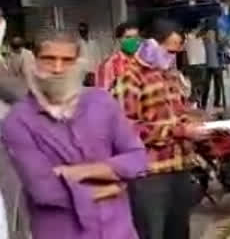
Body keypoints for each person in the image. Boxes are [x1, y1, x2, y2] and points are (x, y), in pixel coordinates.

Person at [1, 31, 148, 239]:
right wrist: (110, 188)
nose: (58, 68)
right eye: (49, 59)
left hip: (118, 230)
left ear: (78, 63)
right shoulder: (17, 120)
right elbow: (45, 190)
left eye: (67, 60)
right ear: (34, 61)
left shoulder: (102, 102)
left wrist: (79, 172)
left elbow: (138, 159)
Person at [112, 19, 209, 239]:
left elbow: (178, 114)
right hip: (150, 175)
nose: (172, 57)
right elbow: (126, 130)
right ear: (150, 44)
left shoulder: (169, 76)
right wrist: (177, 131)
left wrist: (199, 124)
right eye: (168, 50)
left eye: (176, 52)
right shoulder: (130, 79)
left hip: (178, 169)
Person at [95, 21, 140, 91]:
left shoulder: (143, 61)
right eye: (128, 37)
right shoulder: (109, 64)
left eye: (136, 37)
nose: (133, 41)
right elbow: (102, 95)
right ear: (119, 40)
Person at [182, 23, 207, 108]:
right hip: (196, 63)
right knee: (197, 85)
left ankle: (197, 101)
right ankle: (197, 101)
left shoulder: (188, 37)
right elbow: (184, 52)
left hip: (197, 63)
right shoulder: (188, 37)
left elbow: (184, 52)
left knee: (196, 85)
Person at [201, 21, 225, 110]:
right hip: (207, 67)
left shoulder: (218, 43)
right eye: (209, 33)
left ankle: (217, 102)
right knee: (206, 86)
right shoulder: (204, 42)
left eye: (212, 33)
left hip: (217, 66)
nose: (210, 34)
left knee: (218, 86)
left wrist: (222, 63)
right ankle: (203, 103)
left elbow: (222, 53)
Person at [77, 22, 101, 87]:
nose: (83, 32)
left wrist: (97, 70)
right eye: (81, 30)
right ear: (79, 31)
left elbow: (98, 56)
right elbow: (78, 59)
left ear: (87, 30)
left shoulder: (93, 43)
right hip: (84, 72)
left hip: (94, 70)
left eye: (84, 30)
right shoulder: (78, 44)